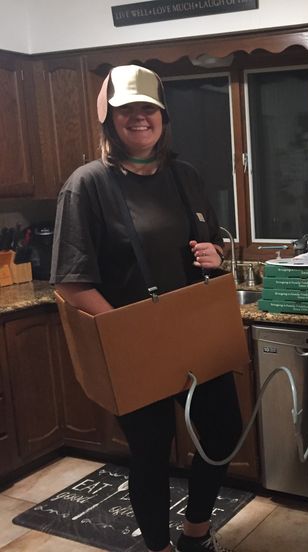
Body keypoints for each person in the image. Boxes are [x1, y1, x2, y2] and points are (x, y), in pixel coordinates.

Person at [50, 65, 242, 552]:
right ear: (109, 120)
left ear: (163, 116)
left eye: (148, 108)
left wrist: (215, 254)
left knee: (223, 433)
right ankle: (156, 547)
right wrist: (129, 332)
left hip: (194, 334)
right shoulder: (86, 185)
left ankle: (195, 534)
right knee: (152, 452)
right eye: (126, 109)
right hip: (131, 342)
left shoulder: (185, 175)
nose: (139, 118)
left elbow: (213, 240)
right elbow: (72, 284)